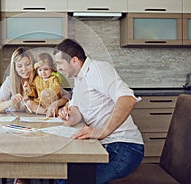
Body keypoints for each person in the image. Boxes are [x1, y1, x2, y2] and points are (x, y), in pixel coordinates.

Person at [54, 38, 144, 184]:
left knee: (72, 180)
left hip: (123, 147)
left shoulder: (98, 70)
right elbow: (77, 111)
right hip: (103, 146)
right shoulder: (79, 79)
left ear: (74, 61)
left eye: (59, 64)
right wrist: (69, 115)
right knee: (64, 175)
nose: (58, 69)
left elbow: (128, 99)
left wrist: (101, 131)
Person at [0, 47, 70, 117]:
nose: (24, 69)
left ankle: (48, 113)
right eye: (19, 66)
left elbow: (67, 95)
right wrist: (10, 102)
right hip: (18, 123)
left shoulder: (40, 78)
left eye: (27, 64)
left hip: (38, 121)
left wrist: (55, 103)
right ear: (15, 68)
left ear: (33, 64)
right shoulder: (10, 81)